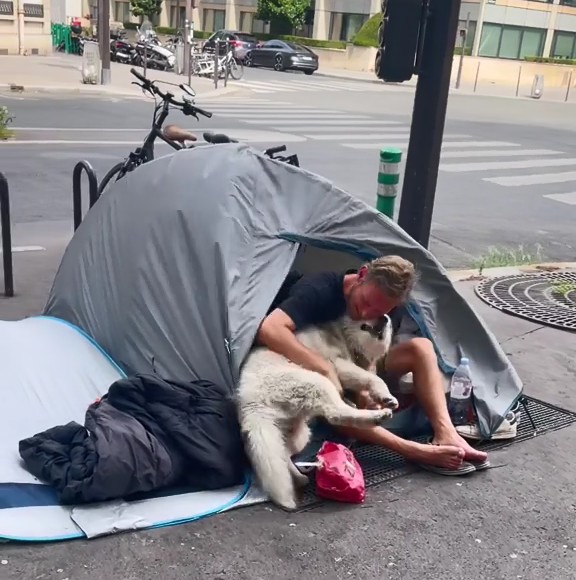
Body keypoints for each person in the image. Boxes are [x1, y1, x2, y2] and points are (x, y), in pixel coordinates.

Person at [255, 255, 489, 475]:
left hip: (353, 364)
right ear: (362, 274)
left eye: (378, 311)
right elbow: (270, 328)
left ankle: (445, 432)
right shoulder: (319, 290)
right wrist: (323, 368)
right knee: (332, 399)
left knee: (422, 348)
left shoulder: (387, 303)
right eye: (365, 302)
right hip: (308, 365)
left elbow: (372, 355)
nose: (366, 313)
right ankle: (412, 450)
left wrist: (366, 387)